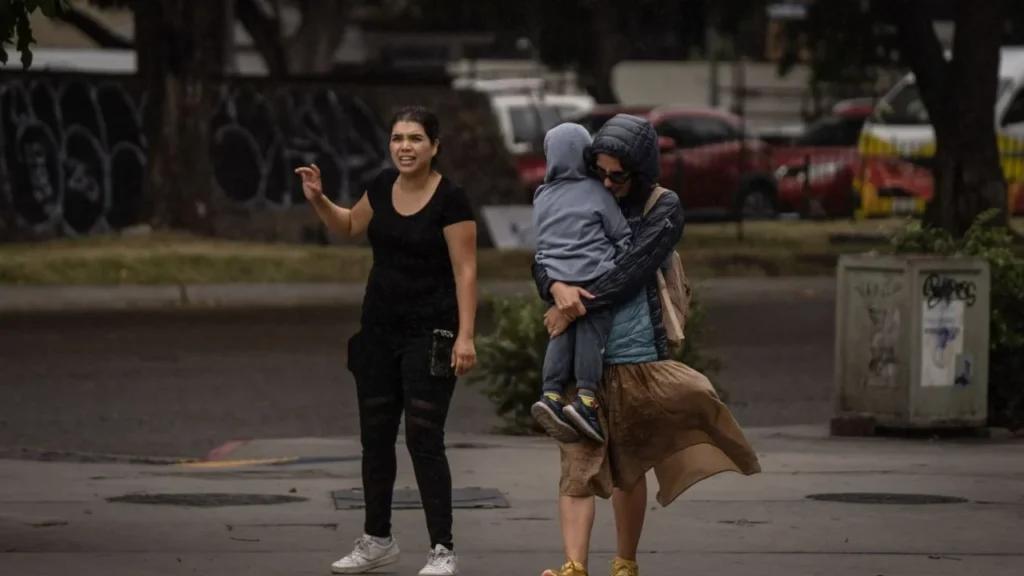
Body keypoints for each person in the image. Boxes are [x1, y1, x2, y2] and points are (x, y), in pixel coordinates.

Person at [532, 114, 762, 576]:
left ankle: (625, 563)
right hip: (584, 358)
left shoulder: (663, 206)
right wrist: (555, 288)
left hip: (637, 356)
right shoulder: (579, 194)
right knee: (578, 465)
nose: (609, 181)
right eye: (601, 171)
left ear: (642, 170)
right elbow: (545, 253)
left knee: (629, 467)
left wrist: (572, 305)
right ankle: (574, 566)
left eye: (619, 174)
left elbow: (632, 269)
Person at [295, 106, 477, 576]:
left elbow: (466, 271)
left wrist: (466, 336)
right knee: (375, 439)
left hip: (430, 333)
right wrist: (318, 198)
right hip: (378, 331)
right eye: (397, 138)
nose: (405, 147)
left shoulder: (451, 200)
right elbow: (351, 227)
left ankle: (443, 550)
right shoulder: (380, 185)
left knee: (423, 437)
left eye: (415, 138)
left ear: (434, 146)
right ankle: (377, 539)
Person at [531, 122, 632, 444]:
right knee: (590, 335)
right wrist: (618, 255)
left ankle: (550, 395)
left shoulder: (542, 195)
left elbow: (541, 241)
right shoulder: (597, 192)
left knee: (559, 335)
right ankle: (586, 399)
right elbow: (620, 234)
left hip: (557, 279)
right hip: (594, 279)